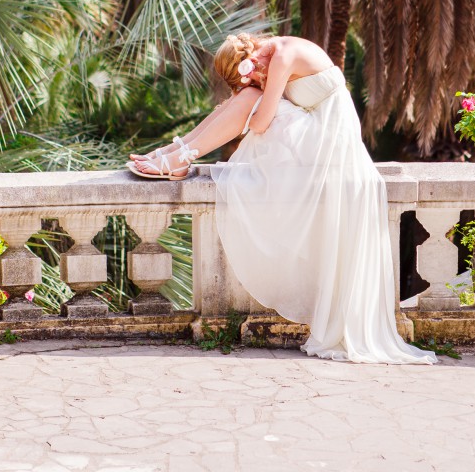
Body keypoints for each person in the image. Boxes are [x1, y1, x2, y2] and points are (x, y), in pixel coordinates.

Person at [128, 33, 438, 365]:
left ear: (253, 61)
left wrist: (254, 96)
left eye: (253, 75)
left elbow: (261, 121)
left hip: (330, 143)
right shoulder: (272, 54)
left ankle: (180, 157)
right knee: (244, 99)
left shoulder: (282, 56)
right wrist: (251, 95)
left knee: (248, 101)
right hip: (320, 137)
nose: (259, 79)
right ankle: (174, 152)